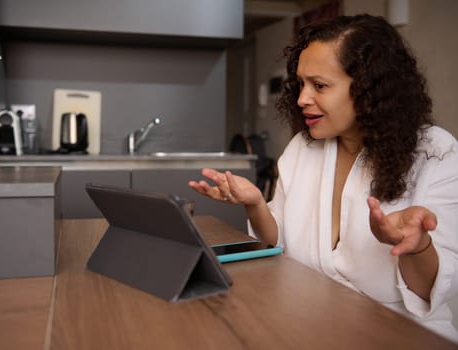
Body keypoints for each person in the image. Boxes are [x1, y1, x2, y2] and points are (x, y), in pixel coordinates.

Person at [188, 14, 458, 342]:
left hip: (402, 337)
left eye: (320, 85)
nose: (302, 98)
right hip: (315, 328)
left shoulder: (435, 153)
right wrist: (256, 204)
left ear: (368, 89)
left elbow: (433, 290)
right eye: (301, 83)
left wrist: (417, 247)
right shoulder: (303, 148)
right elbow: (279, 240)